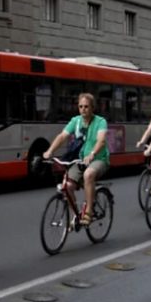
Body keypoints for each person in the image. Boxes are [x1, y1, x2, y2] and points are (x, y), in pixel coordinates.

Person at [43, 93, 110, 226]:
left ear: (92, 108)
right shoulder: (76, 121)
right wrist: (50, 151)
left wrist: (92, 153)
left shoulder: (100, 122)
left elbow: (101, 141)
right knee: (67, 186)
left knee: (88, 174)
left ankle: (89, 212)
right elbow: (62, 136)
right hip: (80, 160)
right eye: (80, 106)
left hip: (99, 159)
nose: (83, 109)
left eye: (86, 106)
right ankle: (76, 216)